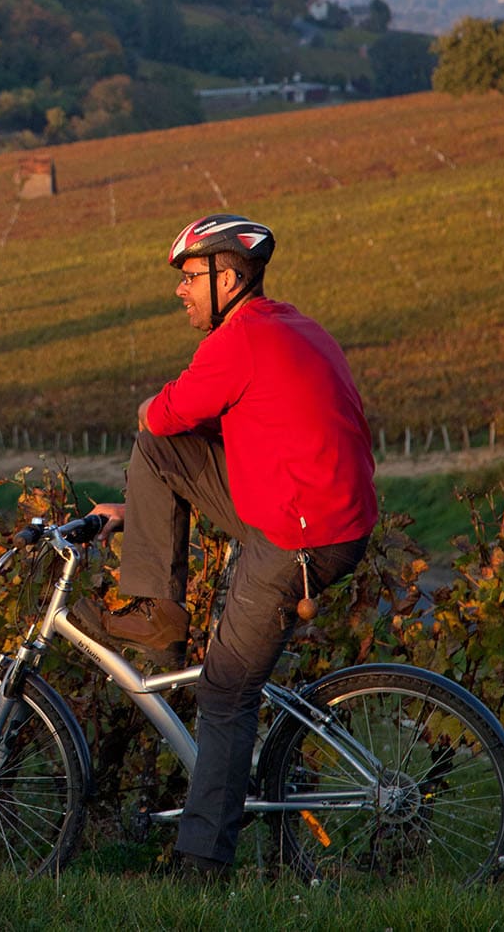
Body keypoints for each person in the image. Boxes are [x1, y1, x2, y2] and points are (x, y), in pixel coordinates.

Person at [71, 213, 377, 878]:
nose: (179, 291)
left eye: (187, 277)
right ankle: (160, 612)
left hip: (296, 536)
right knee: (159, 454)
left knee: (227, 692)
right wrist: (140, 507)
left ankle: (203, 863)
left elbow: (159, 413)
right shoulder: (290, 324)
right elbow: (193, 444)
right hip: (311, 512)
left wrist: (154, 413)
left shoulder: (238, 341)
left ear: (227, 276)